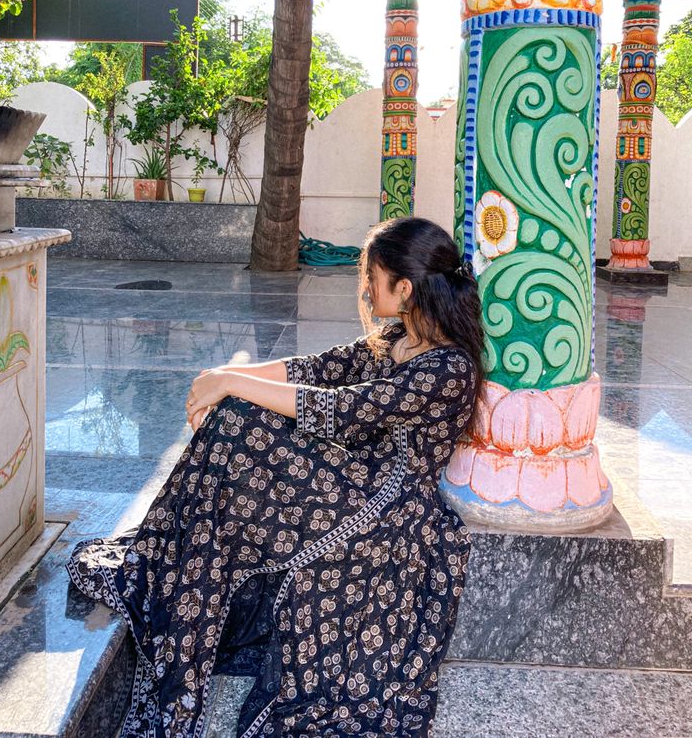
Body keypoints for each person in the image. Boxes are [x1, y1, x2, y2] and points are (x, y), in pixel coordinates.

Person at [67, 216, 484, 738]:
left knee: (240, 421)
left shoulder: (450, 368)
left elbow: (341, 409)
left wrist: (231, 384)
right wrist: (221, 378)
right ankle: (178, 578)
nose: (364, 288)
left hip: (389, 510)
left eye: (372, 277)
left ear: (405, 288)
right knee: (236, 418)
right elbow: (314, 369)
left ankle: (176, 578)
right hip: (354, 478)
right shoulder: (400, 335)